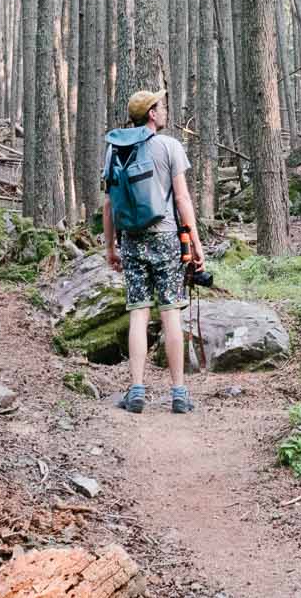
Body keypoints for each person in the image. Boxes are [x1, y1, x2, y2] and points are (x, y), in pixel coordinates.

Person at [102, 88, 202, 414]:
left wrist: (110, 247)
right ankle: (179, 393)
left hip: (130, 239)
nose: (165, 111)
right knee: (171, 312)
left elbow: (108, 205)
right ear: (152, 115)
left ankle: (136, 391)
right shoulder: (170, 146)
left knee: (138, 314)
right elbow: (183, 200)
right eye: (161, 107)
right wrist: (196, 244)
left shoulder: (114, 150)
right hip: (167, 238)